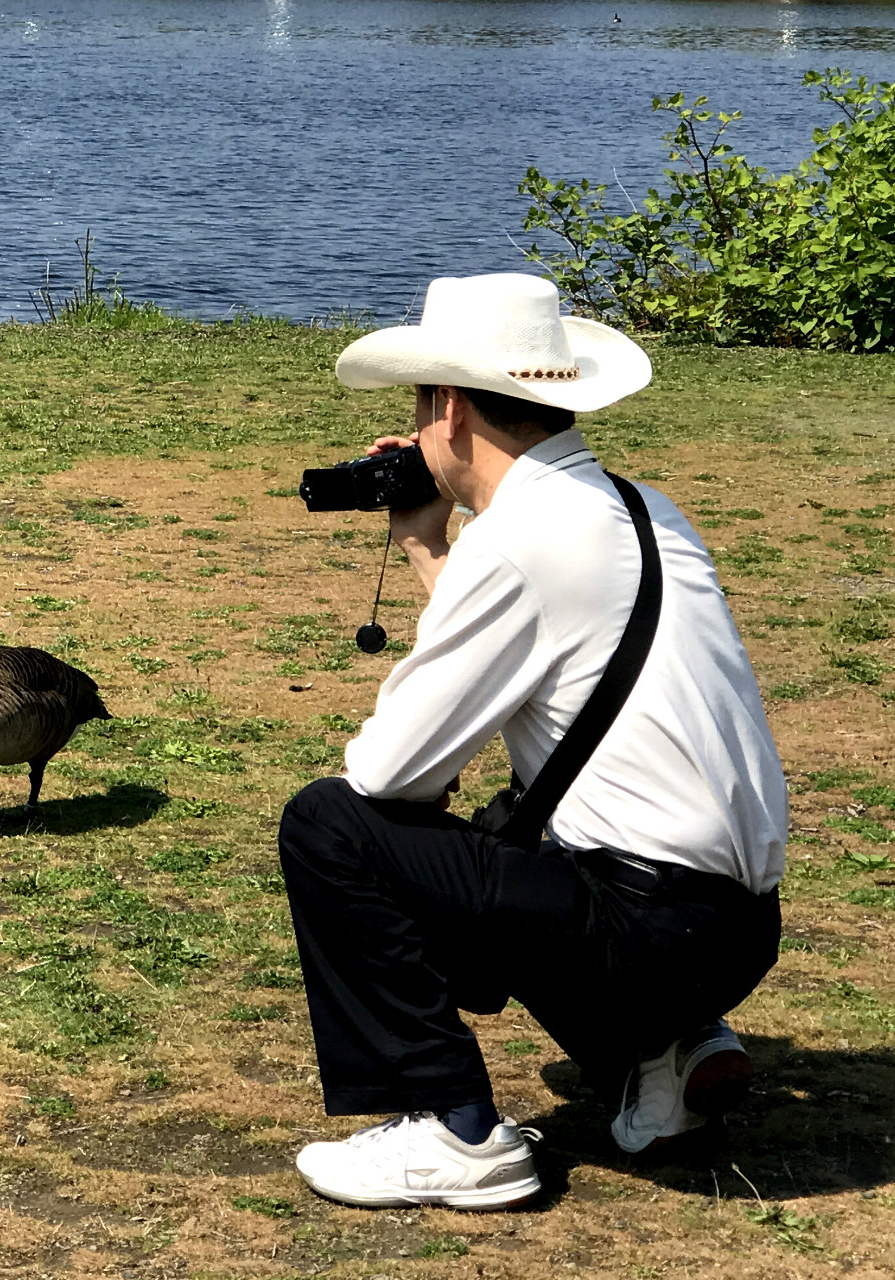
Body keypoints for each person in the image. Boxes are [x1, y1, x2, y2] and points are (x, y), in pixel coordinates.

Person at [278, 273, 786, 1210]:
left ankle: (455, 1130)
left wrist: (448, 546)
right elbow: (538, 651)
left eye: (422, 406)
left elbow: (390, 775)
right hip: (739, 930)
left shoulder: (515, 544)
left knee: (329, 824)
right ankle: (669, 1054)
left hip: (646, 934)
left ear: (451, 409)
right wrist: (434, 548)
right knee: (523, 828)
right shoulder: (644, 508)